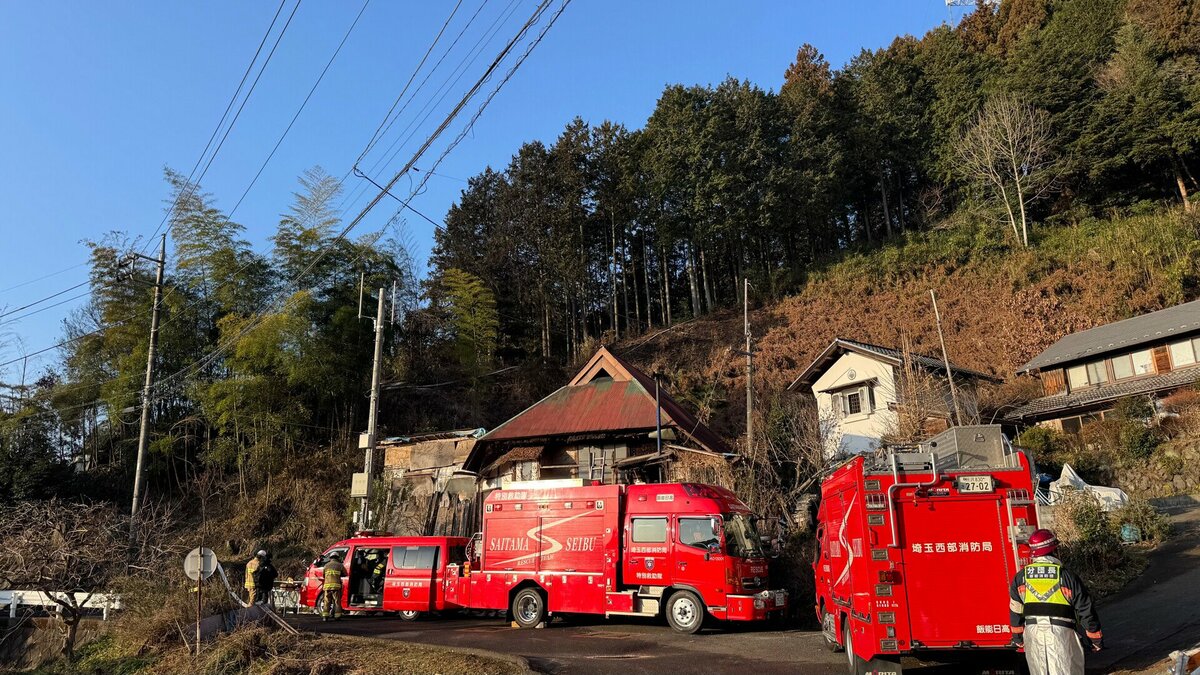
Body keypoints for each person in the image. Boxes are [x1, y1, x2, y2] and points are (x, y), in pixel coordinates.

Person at [1009, 529, 1104, 675]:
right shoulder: (1066, 576)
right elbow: (1085, 609)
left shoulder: (1020, 577)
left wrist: (1017, 638)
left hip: (1033, 634)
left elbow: (1015, 610)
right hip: (1062, 634)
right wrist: (1095, 640)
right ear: (1054, 550)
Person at [321, 552, 346, 621]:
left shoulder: (326, 565)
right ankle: (337, 616)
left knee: (326, 601)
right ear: (337, 558)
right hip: (336, 587)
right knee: (337, 602)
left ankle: (325, 617)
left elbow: (323, 575)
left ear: (330, 558)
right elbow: (345, 574)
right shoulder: (340, 565)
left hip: (327, 587)